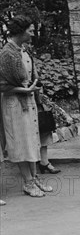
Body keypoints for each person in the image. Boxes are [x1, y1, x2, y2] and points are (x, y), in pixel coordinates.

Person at [0, 16, 52, 197]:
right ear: (21, 31)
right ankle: (28, 182)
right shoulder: (7, 53)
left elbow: (28, 76)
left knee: (32, 141)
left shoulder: (22, 50)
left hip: (27, 100)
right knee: (21, 143)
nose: (32, 34)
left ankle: (35, 177)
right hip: (14, 103)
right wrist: (23, 89)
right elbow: (2, 85)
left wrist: (32, 87)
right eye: (30, 30)